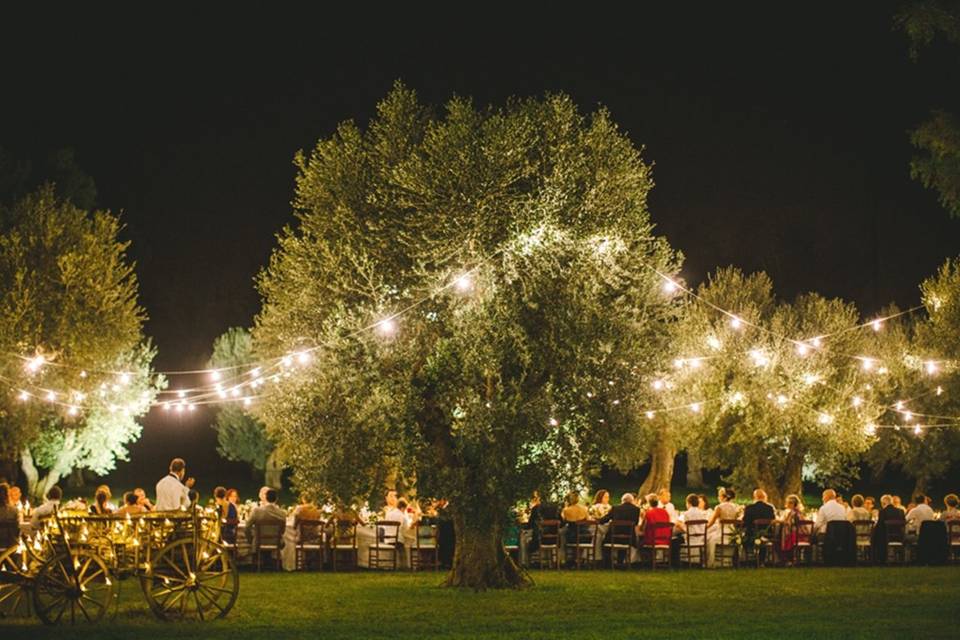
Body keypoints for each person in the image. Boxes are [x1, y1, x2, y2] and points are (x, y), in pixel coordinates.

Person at [244, 487, 286, 552]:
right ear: (276, 499)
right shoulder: (282, 513)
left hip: (259, 542)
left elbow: (247, 527)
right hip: (276, 542)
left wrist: (251, 540)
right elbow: (283, 531)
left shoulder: (257, 511)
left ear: (266, 497)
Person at [779, 494, 805, 563]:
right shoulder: (799, 512)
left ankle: (787, 559)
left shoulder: (793, 513)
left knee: (782, 537)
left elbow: (788, 523)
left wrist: (778, 521)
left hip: (795, 535)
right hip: (802, 534)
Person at [0, 483, 18, 548]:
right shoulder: (13, 510)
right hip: (9, 542)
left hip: (8, 542)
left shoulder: (13, 510)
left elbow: (16, 527)